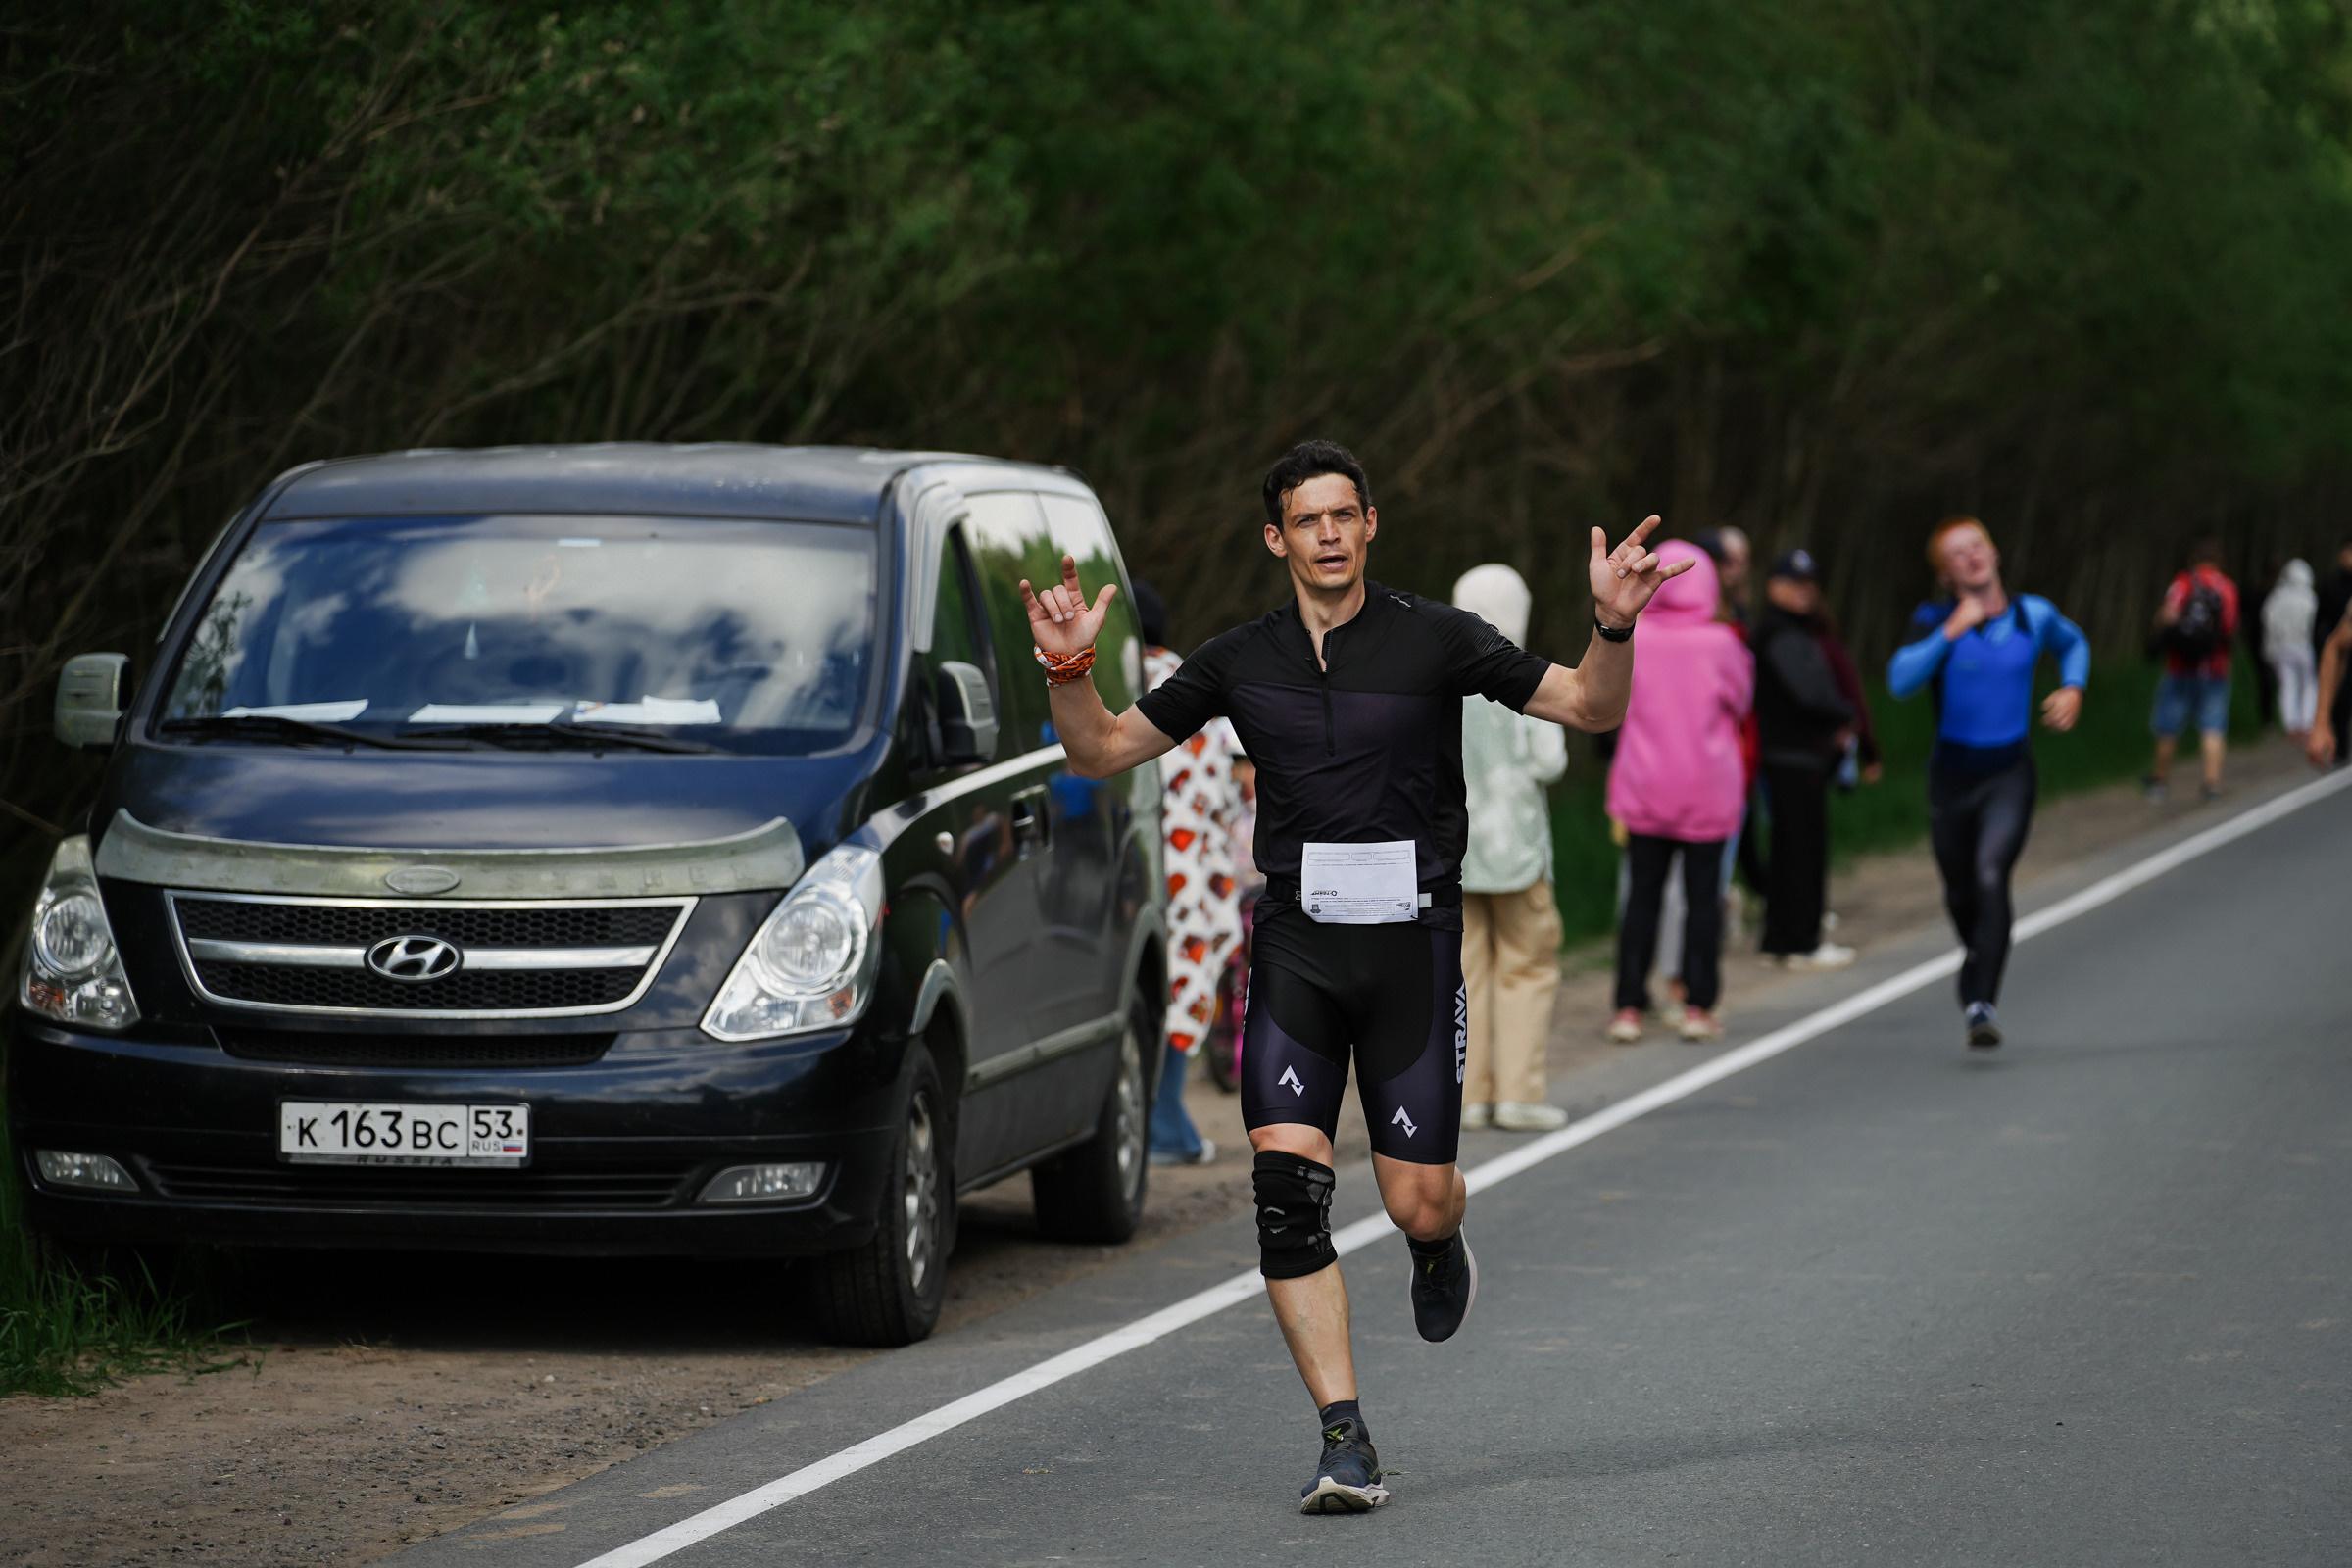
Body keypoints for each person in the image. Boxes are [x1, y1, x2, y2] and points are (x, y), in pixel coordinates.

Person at [1021, 439, 1688, 1513]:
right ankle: (1345, 1436)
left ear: (1371, 525)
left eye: (1347, 515)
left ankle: (1439, 1237)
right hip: (1295, 946)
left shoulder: (1438, 637)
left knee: (1413, 1197)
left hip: (1415, 944)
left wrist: (1613, 625)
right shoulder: (1240, 659)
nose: (1329, 534)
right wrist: (1068, 670)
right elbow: (1097, 750)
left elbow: (1588, 709)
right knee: (1287, 1193)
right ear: (1276, 537)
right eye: (1308, 519)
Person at [1887, 517, 2087, 1049]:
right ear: (1946, 574)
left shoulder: (2032, 613)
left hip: (2009, 773)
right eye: (1957, 553)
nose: (1971, 556)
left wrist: (2073, 688)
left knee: (1990, 873)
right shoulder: (1932, 620)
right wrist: (1952, 630)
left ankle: (1981, 1001)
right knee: (1959, 891)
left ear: (1995, 553)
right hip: (1950, 778)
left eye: (1977, 545)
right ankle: (1978, 953)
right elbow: (1900, 681)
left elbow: (2075, 644)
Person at [1603, 541, 1752, 1044]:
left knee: (1641, 899)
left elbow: (1610, 700)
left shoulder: (1633, 636)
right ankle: (1697, 1005)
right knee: (1702, 900)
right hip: (1707, 790)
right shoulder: (1722, 643)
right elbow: (1742, 700)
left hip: (1644, 787)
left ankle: (1627, 1006)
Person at [1451, 564, 1570, 1133]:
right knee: (1526, 965)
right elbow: (1551, 760)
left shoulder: (1441, 678)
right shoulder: (1526, 674)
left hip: (1456, 848)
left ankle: (1468, 1096)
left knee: (1465, 971)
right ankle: (1519, 1093)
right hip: (1517, 844)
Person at [1133, 580, 1237, 1168]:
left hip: (1130, 863)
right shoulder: (1189, 679)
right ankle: (1166, 1116)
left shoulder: (1107, 682)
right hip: (1190, 874)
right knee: (1184, 982)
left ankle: (1153, 1116)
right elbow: (1218, 790)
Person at [1749, 548, 1856, 970]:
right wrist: (1843, 714)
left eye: (1810, 584)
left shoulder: (1792, 629)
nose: (1804, 592)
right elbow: (1808, 692)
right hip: (1793, 755)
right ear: (1774, 586)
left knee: (1789, 848)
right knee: (1802, 850)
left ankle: (1782, 938)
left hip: (1791, 755)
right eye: (1795, 583)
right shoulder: (1780, 633)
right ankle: (1802, 941)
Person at [2143, 540, 2238, 803]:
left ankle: (2160, 783)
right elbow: (2229, 628)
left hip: (2180, 666)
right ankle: (2211, 783)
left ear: (2194, 560)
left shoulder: (2183, 583)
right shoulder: (2227, 588)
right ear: (2219, 562)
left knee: (2168, 726)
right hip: (2216, 669)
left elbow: (2168, 615)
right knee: (2213, 726)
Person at [2265, 559, 2319, 744]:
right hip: (2304, 644)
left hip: (2283, 646)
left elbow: (2269, 622)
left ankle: (2292, 725)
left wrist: (2269, 648)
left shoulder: (2277, 597)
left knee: (2288, 684)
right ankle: (2306, 723)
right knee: (2309, 683)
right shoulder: (2309, 597)